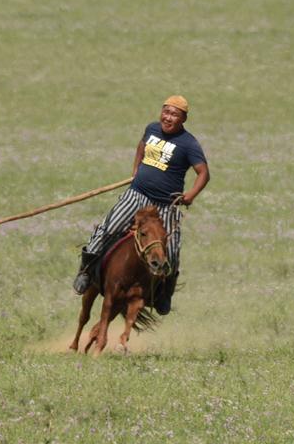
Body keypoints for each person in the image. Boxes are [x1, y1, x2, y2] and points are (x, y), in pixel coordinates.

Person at [72, 95, 210, 314]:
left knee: (171, 250)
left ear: (183, 118)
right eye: (166, 111)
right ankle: (86, 272)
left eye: (174, 114)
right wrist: (136, 170)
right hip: (138, 194)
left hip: (166, 203)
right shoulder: (152, 129)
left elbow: (203, 173)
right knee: (110, 227)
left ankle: (164, 294)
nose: (168, 117)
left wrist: (190, 195)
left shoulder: (188, 143)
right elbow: (141, 147)